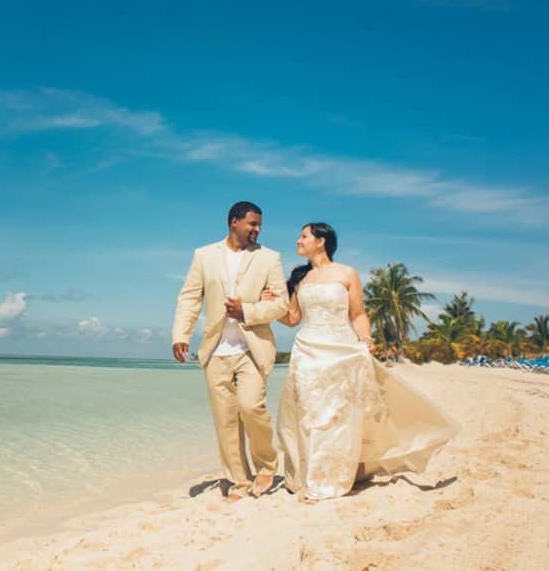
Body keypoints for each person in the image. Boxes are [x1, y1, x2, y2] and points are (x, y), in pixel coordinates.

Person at [263, 223, 461, 503]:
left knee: (337, 416)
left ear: (321, 241)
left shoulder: (346, 273)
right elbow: (293, 319)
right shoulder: (300, 279)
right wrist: (273, 307)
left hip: (341, 350)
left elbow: (357, 314)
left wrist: (365, 338)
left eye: (303, 236)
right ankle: (308, 475)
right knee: (310, 415)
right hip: (307, 351)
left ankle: (327, 480)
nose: (298, 240)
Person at [172, 201, 290, 502]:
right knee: (225, 422)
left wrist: (246, 311)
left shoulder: (270, 258)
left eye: (259, 225)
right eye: (253, 224)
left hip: (253, 348)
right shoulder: (203, 255)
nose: (258, 230)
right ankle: (239, 483)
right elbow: (189, 297)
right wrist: (180, 335)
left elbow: (281, 305)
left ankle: (266, 465)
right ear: (234, 222)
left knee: (251, 407)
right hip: (215, 350)